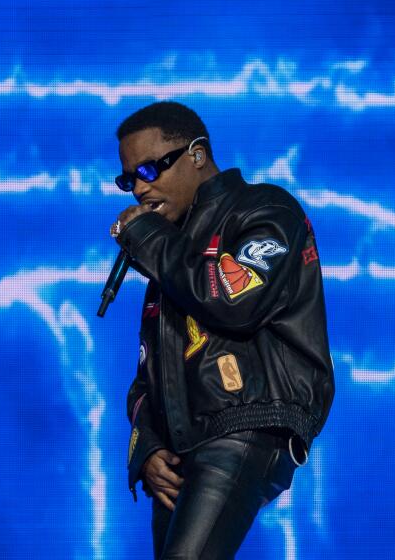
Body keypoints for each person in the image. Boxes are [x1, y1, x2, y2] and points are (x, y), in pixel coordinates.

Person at [108, 101, 335, 559]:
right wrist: (147, 449)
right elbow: (146, 377)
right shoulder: (170, 256)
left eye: (150, 169)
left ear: (196, 154)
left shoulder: (264, 209)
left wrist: (149, 238)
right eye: (128, 178)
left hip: (246, 426)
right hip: (181, 447)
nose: (138, 188)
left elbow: (233, 301)